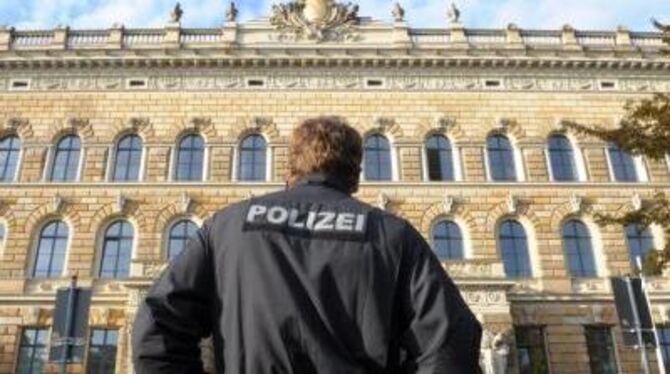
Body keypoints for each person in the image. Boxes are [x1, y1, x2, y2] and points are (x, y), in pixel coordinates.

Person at [131, 116, 482, 373]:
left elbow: (157, 324)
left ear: (291, 168)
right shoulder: (393, 235)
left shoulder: (227, 227)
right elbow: (451, 342)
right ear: (355, 176)